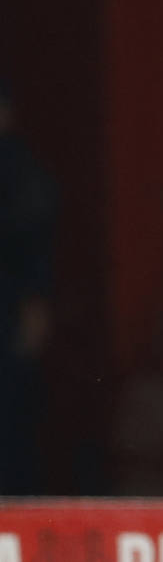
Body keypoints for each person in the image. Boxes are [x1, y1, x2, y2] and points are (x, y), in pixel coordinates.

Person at [0, 81, 57, 494]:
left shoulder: (19, 168)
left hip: (9, 305)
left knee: (12, 413)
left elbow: (35, 239)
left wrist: (36, 301)